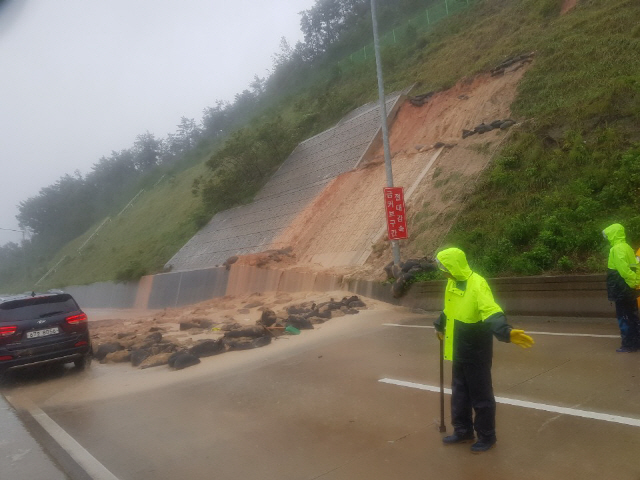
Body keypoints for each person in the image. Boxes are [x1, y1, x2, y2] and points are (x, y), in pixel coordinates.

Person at [433, 247, 534, 453]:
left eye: (444, 267)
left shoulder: (477, 284)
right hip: (458, 348)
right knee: (459, 394)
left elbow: (491, 310)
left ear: (454, 266)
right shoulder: (451, 283)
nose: (442, 271)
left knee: (481, 396)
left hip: (476, 349)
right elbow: (449, 309)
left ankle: (487, 436)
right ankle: (463, 431)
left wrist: (505, 332)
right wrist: (439, 325)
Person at [603, 223, 640, 352]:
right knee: (632, 315)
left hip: (621, 288)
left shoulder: (616, 249)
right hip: (629, 288)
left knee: (624, 317)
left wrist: (631, 282)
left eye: (608, 235)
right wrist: (636, 281)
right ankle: (636, 342)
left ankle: (628, 345)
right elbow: (636, 266)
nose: (607, 238)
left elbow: (623, 270)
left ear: (613, 234)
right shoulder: (627, 247)